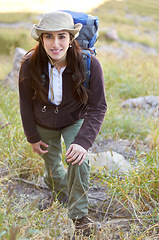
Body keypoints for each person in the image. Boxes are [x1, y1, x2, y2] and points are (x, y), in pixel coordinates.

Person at [19, 11, 107, 237]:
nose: (55, 43)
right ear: (41, 39)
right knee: (52, 169)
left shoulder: (89, 64)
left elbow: (98, 107)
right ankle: (60, 195)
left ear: (71, 39)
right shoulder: (29, 64)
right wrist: (32, 137)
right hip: (43, 122)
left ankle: (79, 217)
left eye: (61, 36)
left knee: (79, 160)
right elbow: (25, 104)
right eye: (48, 37)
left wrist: (83, 142)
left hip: (73, 120)